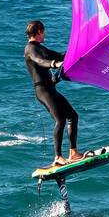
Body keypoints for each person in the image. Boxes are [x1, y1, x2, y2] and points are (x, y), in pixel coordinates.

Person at [24, 19, 82, 168]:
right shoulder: (30, 49)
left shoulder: (41, 47)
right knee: (60, 120)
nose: (45, 34)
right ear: (39, 32)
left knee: (73, 116)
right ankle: (57, 157)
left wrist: (78, 52)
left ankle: (73, 153)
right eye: (43, 31)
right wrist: (54, 64)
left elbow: (61, 56)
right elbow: (40, 61)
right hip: (42, 90)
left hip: (51, 88)